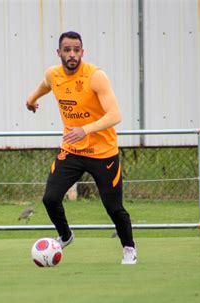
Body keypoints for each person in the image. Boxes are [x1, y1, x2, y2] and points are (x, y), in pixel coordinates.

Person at [26, 31, 137, 265]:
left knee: (114, 208)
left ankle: (129, 247)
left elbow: (116, 115)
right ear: (59, 53)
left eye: (76, 49)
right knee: (50, 198)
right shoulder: (53, 74)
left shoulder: (96, 77)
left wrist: (86, 129)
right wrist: (31, 99)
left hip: (103, 153)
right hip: (72, 151)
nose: (72, 54)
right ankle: (65, 236)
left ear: (82, 52)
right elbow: (46, 84)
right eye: (67, 50)